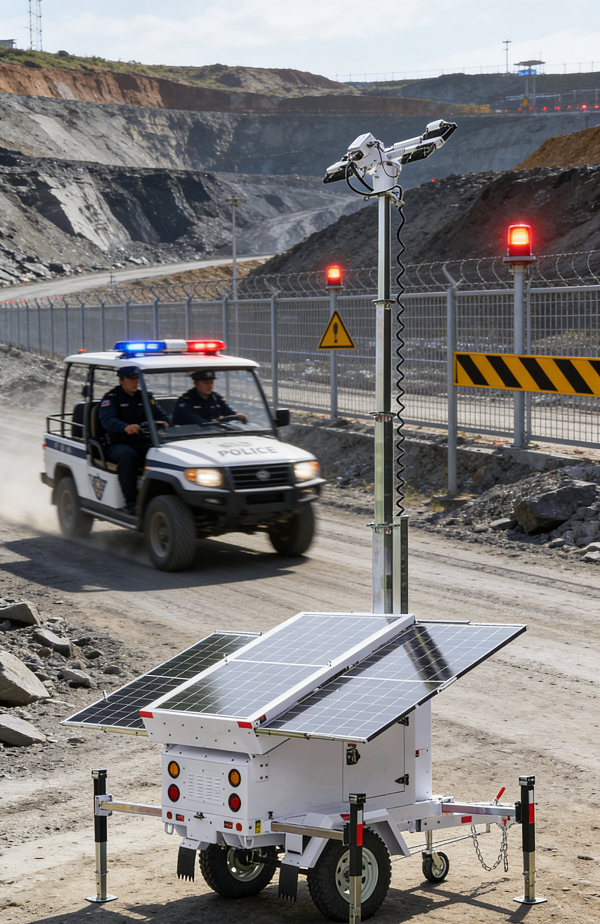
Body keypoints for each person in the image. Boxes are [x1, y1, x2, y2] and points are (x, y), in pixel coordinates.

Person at [99, 366, 169, 514]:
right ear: (121, 380)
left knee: (161, 455)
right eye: (131, 379)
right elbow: (107, 420)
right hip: (118, 442)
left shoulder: (145, 397)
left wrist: (166, 422)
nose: (135, 382)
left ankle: (158, 496)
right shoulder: (111, 398)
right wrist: (125, 427)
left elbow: (161, 415)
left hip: (142, 440)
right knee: (127, 456)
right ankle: (131, 502)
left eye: (137, 379)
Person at [172, 370, 248, 426]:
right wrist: (213, 422)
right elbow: (191, 419)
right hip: (190, 436)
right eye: (206, 383)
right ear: (195, 383)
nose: (209, 385)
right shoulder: (186, 400)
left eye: (211, 382)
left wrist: (237, 415)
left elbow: (228, 411)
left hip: (214, 432)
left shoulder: (216, 398)